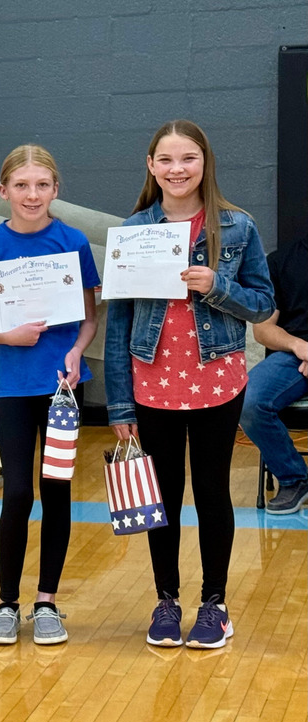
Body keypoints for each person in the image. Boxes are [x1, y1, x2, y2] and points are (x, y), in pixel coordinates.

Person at [105, 120, 275, 649]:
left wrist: (217, 286)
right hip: (149, 385)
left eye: (188, 159)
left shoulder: (237, 227)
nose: (177, 169)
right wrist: (118, 405)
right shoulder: (134, 230)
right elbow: (118, 326)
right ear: (151, 167)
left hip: (218, 381)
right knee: (163, 497)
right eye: (166, 160)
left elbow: (264, 304)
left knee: (211, 491)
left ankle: (214, 605)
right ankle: (166, 600)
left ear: (205, 163)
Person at [0, 144, 99, 645]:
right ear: (4, 192)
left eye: (42, 185)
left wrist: (77, 351)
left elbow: (89, 316)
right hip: (15, 387)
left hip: (64, 387)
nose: (32, 194)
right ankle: (5, 603)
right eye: (21, 185)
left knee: (56, 488)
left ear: (55, 190)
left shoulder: (74, 241)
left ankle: (47, 603)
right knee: (17, 491)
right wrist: (5, 337)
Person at [240, 233, 308, 514]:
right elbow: (262, 329)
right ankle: (294, 478)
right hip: (294, 357)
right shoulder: (281, 260)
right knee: (248, 401)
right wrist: (299, 346)